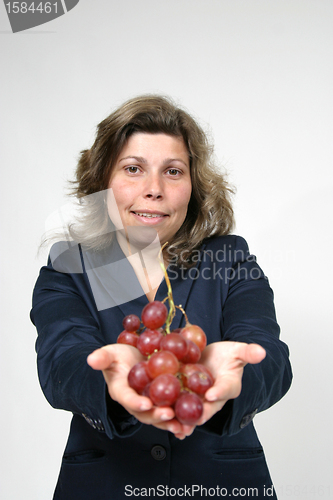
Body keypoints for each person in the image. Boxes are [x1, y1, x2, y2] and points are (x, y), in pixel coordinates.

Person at [31, 95, 292, 499]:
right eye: (133, 169)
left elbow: (269, 356)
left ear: (193, 185)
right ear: (103, 181)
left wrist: (234, 382)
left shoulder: (230, 258)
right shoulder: (70, 265)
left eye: (173, 171)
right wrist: (111, 387)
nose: (154, 190)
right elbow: (60, 362)